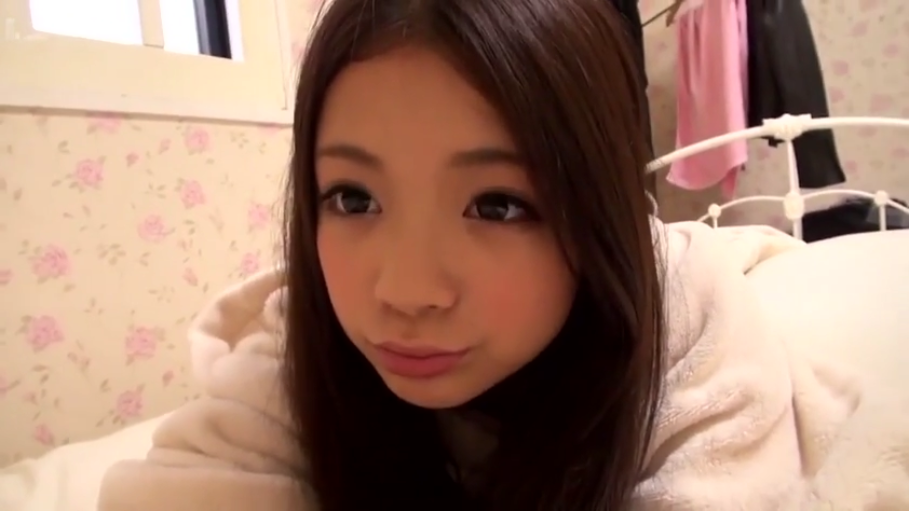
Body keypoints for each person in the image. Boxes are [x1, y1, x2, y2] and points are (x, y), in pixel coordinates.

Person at [97, 0, 909, 510]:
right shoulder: (298, 335)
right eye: (353, 198)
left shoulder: (682, 307)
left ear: (599, 209)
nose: (406, 289)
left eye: (497, 204)